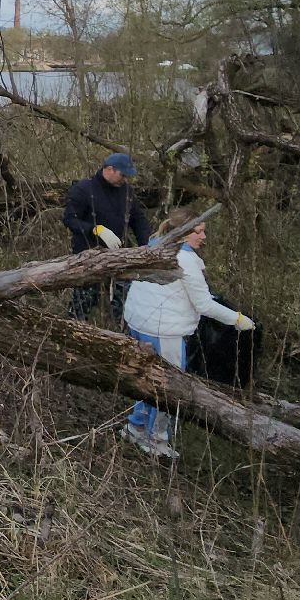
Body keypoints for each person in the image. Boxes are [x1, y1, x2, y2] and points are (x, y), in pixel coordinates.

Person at [119, 207, 256, 459]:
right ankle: (156, 439)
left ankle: (136, 425)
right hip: (163, 330)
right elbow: (204, 305)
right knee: (168, 386)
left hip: (138, 323)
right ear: (183, 233)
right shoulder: (185, 261)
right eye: (199, 232)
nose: (204, 237)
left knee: (145, 379)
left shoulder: (156, 245)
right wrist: (238, 320)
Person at [62, 152, 152, 321]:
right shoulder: (83, 189)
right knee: (82, 305)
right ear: (110, 169)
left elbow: (138, 220)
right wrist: (95, 229)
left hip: (118, 256)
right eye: (122, 175)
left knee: (126, 304)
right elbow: (69, 219)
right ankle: (72, 336)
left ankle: (122, 337)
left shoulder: (127, 192)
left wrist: (148, 245)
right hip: (88, 258)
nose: (124, 179)